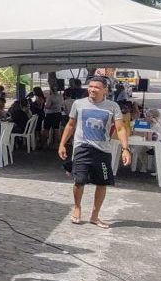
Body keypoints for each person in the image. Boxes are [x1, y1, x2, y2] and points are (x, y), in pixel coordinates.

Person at [57, 76, 132, 229]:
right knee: (79, 181)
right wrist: (62, 144)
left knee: (102, 183)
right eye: (90, 86)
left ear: (105, 90)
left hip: (102, 150)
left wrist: (125, 149)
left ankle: (95, 215)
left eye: (96, 87)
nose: (92, 89)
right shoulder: (78, 104)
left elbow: (120, 128)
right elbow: (71, 125)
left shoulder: (112, 107)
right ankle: (77, 207)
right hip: (82, 147)